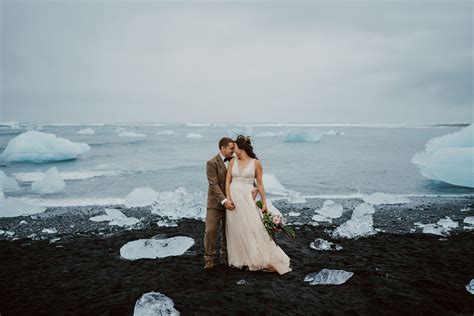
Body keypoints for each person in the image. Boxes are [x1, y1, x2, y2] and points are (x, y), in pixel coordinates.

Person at [224, 135, 292, 275]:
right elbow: (227, 182)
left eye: (234, 147)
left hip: (248, 198)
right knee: (237, 229)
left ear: (241, 148)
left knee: (253, 227)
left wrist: (264, 203)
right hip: (234, 198)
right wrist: (228, 199)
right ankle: (242, 259)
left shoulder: (256, 163)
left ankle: (258, 257)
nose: (232, 150)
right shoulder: (232, 162)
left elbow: (260, 184)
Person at [204, 137, 257, 270]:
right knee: (210, 231)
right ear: (222, 148)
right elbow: (213, 185)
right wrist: (224, 200)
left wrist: (254, 187)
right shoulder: (211, 163)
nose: (233, 151)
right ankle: (209, 259)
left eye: (234, 148)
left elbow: (245, 176)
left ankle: (226, 257)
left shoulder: (236, 160)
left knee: (229, 232)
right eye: (231, 148)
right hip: (216, 204)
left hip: (235, 202)